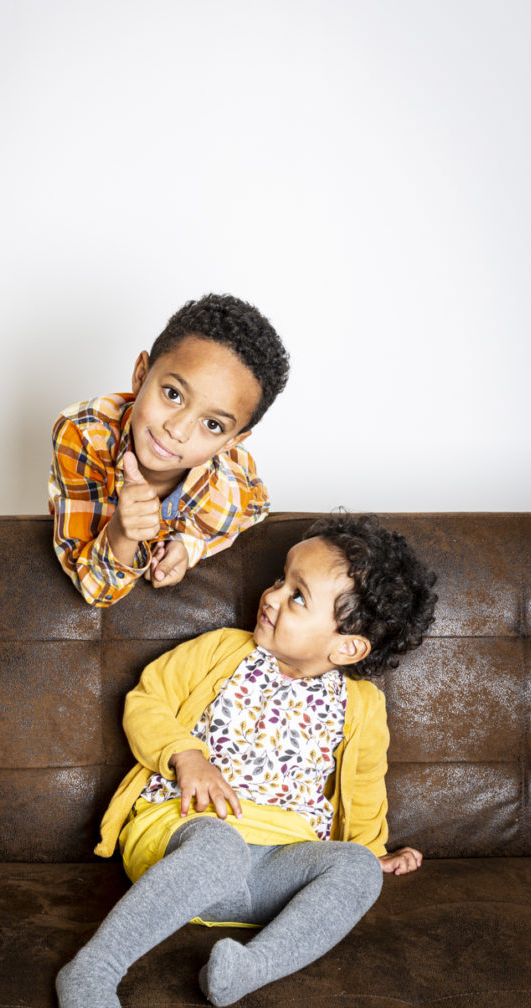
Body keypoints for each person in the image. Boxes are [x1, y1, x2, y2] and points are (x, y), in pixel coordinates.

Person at [55, 514, 438, 1008]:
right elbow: (146, 701)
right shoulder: (221, 651)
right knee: (220, 846)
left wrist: (370, 849)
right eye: (281, 578)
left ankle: (249, 969)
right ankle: (92, 970)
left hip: (275, 868)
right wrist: (186, 755)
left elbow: (365, 786)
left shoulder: (361, 705)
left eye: (297, 596)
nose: (272, 595)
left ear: (346, 647)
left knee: (357, 870)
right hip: (185, 838)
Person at [48, 293, 289, 606]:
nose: (177, 430)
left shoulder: (227, 486)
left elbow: (256, 507)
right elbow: (94, 588)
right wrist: (122, 534)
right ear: (141, 375)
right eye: (173, 394)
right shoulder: (84, 434)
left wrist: (190, 546)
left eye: (213, 425)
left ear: (230, 442)